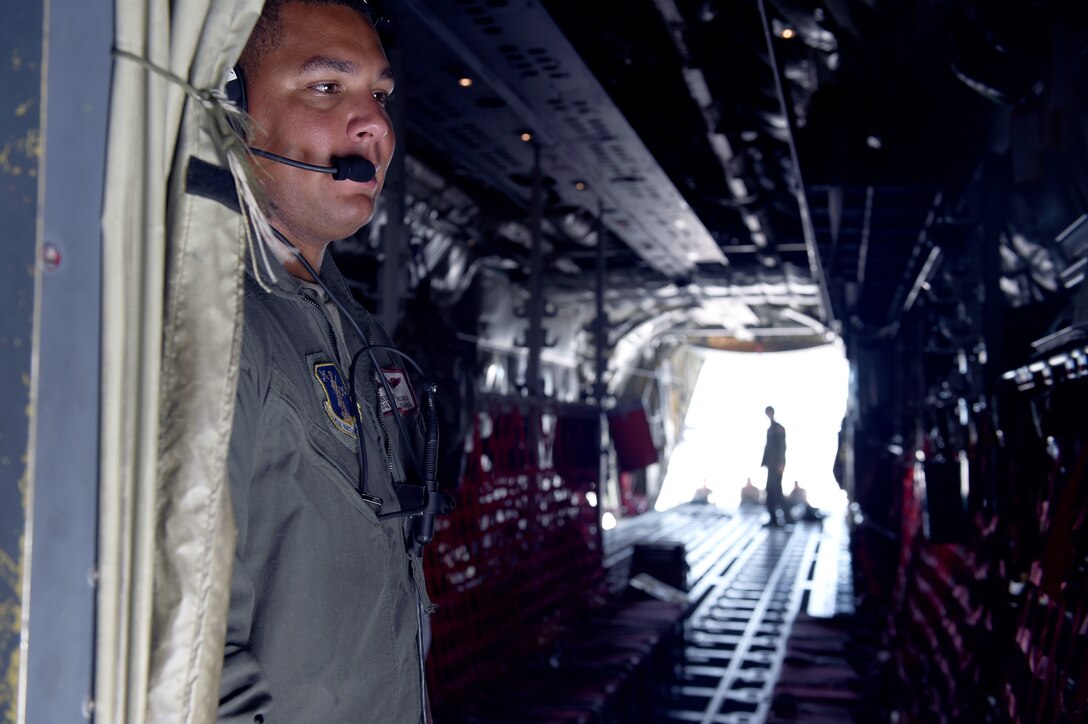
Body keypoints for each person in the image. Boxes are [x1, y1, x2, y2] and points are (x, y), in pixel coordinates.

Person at [216, 2, 433, 722]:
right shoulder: (219, 328)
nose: (373, 123)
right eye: (325, 88)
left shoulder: (355, 329)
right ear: (234, 108)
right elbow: (189, 648)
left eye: (379, 94)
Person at [760, 406, 787, 526]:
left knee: (776, 492)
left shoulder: (778, 429)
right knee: (770, 491)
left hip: (777, 465)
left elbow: (782, 447)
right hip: (771, 465)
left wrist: (781, 463)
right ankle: (774, 519)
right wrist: (764, 462)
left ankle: (786, 517)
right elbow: (768, 448)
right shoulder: (770, 429)